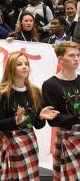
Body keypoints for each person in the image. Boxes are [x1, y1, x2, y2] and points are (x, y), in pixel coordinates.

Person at [0, 52, 59, 180]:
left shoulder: (35, 92)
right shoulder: (2, 93)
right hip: (10, 143)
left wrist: (40, 118)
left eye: (26, 64)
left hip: (30, 143)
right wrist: (15, 120)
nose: (24, 67)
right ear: (11, 68)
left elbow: (38, 126)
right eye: (19, 64)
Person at [42, 41, 80, 180]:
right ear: (60, 59)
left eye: (78, 55)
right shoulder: (50, 84)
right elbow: (53, 119)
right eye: (71, 55)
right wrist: (77, 118)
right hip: (67, 138)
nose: (76, 59)